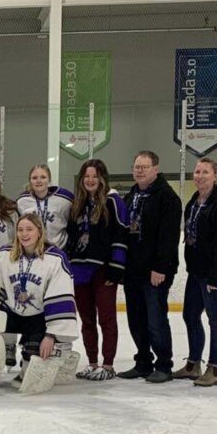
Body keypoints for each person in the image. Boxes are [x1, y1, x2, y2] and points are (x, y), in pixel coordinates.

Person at [0, 213, 78, 380]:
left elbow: (60, 297)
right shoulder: (4, 254)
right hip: (11, 314)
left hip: (38, 318)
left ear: (39, 232)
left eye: (29, 229)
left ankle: (54, 350)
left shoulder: (55, 258)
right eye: (20, 229)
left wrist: (51, 336)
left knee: (30, 376)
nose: (24, 234)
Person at [118, 150, 182, 383]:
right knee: (136, 319)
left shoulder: (167, 197)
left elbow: (169, 237)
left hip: (154, 271)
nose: (139, 170)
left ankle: (164, 365)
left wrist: (160, 267)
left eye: (144, 166)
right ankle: (143, 361)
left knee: (155, 319)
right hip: (132, 270)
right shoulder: (132, 195)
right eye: (136, 166)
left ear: (156, 168)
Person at [173, 157, 217, 388]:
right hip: (196, 272)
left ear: (215, 176)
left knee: (216, 320)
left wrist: (215, 276)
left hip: (216, 274)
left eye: (205, 172)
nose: (199, 176)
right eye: (197, 171)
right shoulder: (194, 202)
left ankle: (214, 369)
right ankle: (193, 364)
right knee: (190, 315)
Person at [66, 159, 128, 381]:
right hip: (80, 270)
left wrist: (116, 269)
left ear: (102, 178)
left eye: (94, 176)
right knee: (87, 320)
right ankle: (92, 363)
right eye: (86, 176)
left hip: (103, 270)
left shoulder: (113, 202)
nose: (90, 180)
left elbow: (121, 235)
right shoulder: (77, 205)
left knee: (107, 319)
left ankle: (108, 364)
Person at [16, 164, 75, 250]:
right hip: (32, 250)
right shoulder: (22, 200)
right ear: (30, 181)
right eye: (34, 178)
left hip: (58, 250)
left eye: (43, 177)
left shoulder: (65, 199)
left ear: (49, 180)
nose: (39, 181)